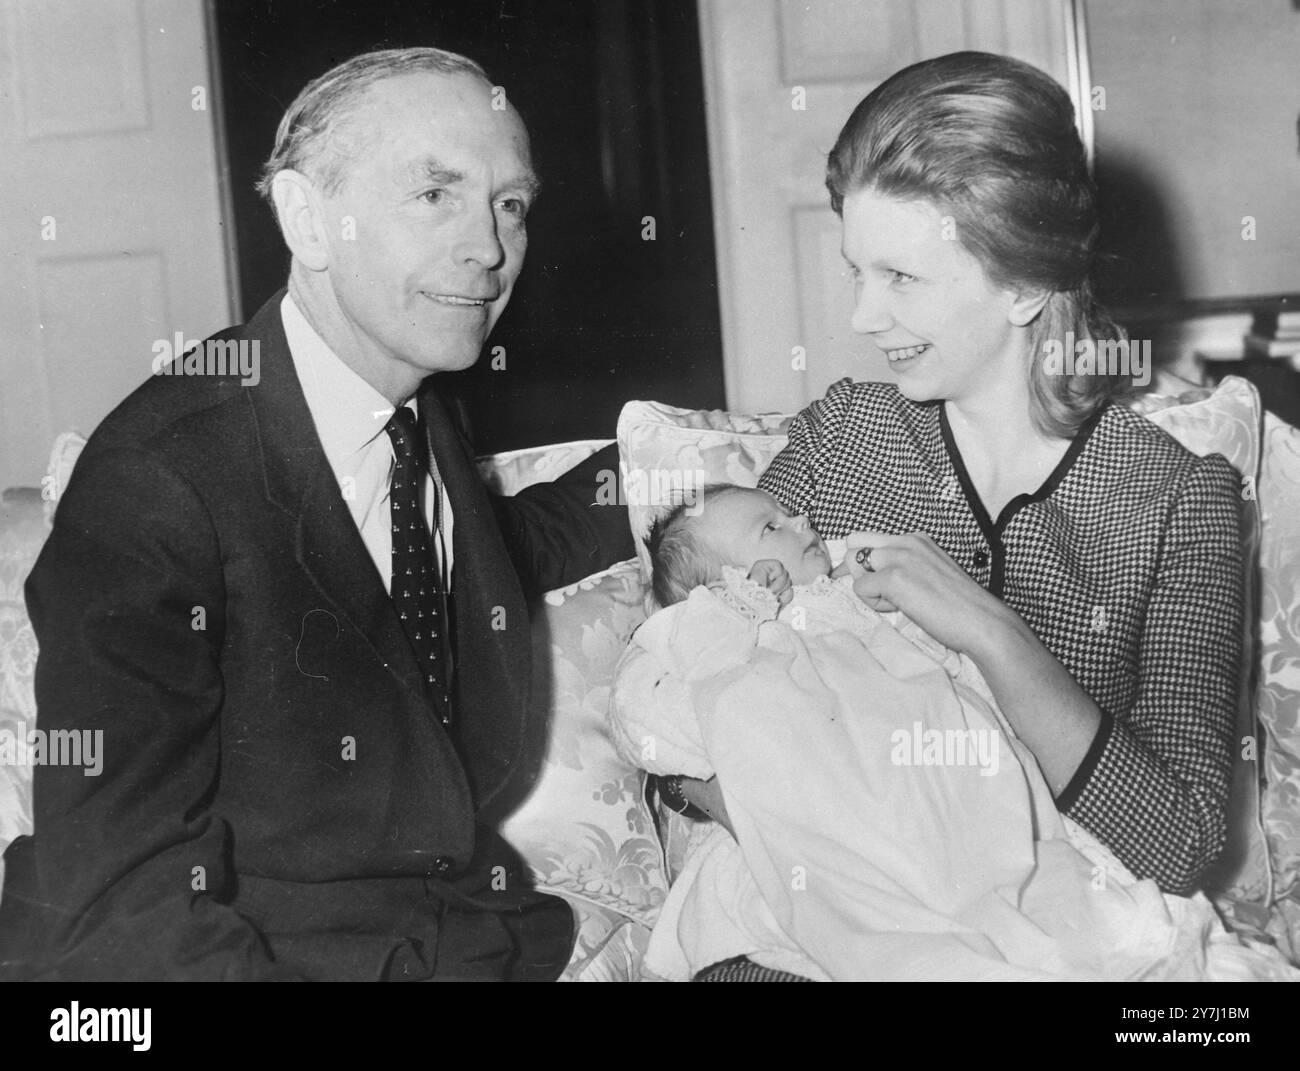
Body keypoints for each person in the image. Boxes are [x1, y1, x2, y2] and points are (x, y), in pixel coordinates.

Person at [0, 47, 633, 981]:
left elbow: (475, 558)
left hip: (444, 937)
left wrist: (677, 476)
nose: (490, 248)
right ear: (308, 219)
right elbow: (120, 897)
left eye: (511, 204)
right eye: (434, 195)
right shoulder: (156, 477)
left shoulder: (409, 405)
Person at [675, 50, 1244, 980]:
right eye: (857, 270)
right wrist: (806, 837)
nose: (862, 313)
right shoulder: (843, 440)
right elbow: (681, 677)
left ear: (1022, 284)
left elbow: (1178, 841)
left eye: (901, 278)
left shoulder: (1177, 503)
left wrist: (990, 631)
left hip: (1061, 941)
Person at [613, 486, 1288, 982]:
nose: (803, 518)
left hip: (961, 786)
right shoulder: (740, 619)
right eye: (774, 525)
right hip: (836, 824)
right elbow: (659, 707)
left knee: (1060, 913)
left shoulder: (1179, 491)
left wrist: (974, 636)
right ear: (746, 576)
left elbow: (953, 676)